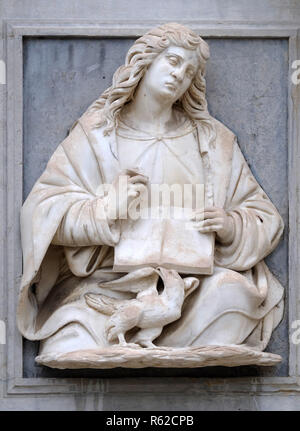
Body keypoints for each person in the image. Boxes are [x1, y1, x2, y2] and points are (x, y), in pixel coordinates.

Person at [17, 23, 284, 356]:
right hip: (109, 286)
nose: (179, 75)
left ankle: (166, 345)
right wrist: (104, 211)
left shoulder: (214, 142)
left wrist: (231, 227)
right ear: (145, 61)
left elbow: (264, 217)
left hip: (194, 289)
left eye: (189, 72)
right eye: (172, 61)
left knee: (233, 294)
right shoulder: (98, 135)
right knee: (72, 335)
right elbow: (42, 210)